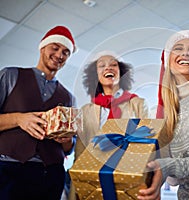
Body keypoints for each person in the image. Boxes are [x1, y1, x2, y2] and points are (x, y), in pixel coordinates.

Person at [0, 25, 77, 200]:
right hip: (8, 169)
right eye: (55, 47)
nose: (59, 55)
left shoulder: (69, 98)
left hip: (50, 175)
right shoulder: (10, 75)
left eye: (66, 52)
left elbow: (69, 149)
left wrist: (67, 140)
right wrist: (18, 119)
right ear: (42, 47)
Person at [138, 30, 189, 200]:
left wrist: (167, 166)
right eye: (178, 48)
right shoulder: (171, 112)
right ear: (168, 61)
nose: (185, 53)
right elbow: (175, 179)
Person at [68, 51, 149, 200]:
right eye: (102, 66)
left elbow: (146, 147)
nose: (108, 68)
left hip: (126, 181)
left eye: (113, 65)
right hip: (92, 182)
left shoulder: (138, 104)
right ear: (95, 75)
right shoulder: (86, 111)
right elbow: (80, 153)